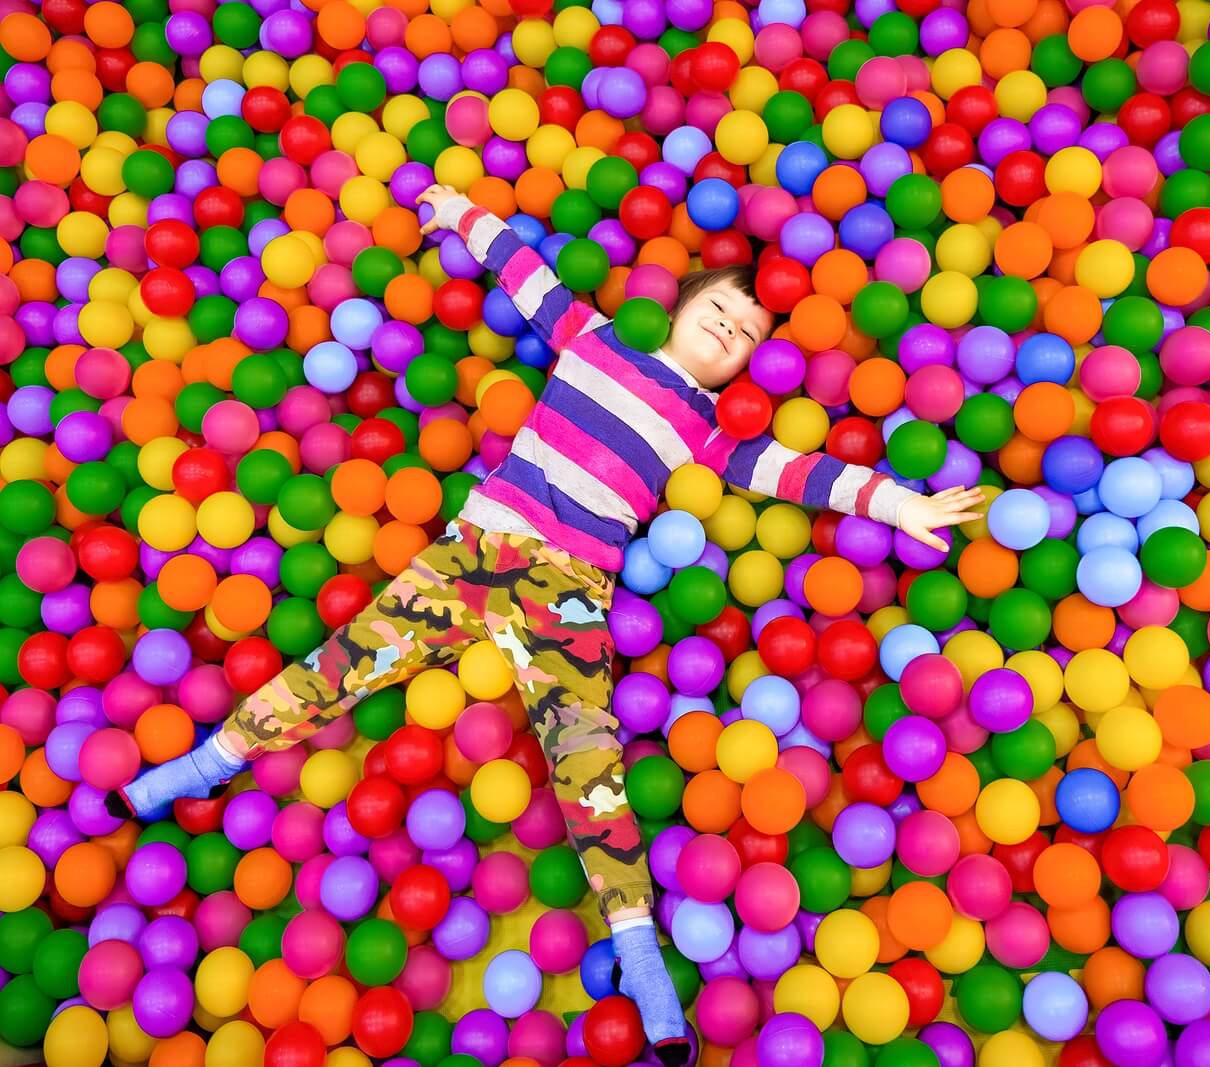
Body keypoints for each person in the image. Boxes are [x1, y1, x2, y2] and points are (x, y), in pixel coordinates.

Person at [111, 185, 985, 1061]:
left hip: (567, 593)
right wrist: (459, 210)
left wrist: (898, 503)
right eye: (720, 310)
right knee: (339, 666)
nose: (731, 329)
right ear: (678, 305)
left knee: (590, 767)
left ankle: (642, 961)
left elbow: (798, 472)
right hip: (474, 553)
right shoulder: (597, 337)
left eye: (749, 334)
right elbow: (526, 274)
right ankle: (206, 763)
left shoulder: (709, 430)